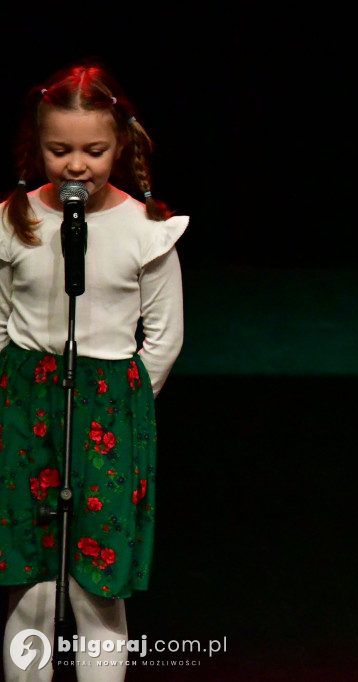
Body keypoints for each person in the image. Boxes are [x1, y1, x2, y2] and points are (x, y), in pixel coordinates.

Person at [0, 62, 186, 680]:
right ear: (37, 146)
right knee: (31, 584)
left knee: (96, 586)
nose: (76, 165)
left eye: (93, 150)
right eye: (59, 150)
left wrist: (121, 403)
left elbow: (163, 338)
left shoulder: (146, 228)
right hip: (27, 406)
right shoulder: (15, 218)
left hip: (108, 408)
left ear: (121, 146)